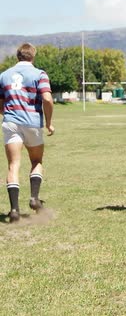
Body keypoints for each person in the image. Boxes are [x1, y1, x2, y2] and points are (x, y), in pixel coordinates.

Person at [0, 43, 55, 223]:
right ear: (33, 56)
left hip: (10, 122)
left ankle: (14, 210)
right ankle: (33, 198)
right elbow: (47, 98)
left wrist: (8, 113)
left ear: (18, 56)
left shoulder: (4, 75)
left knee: (13, 164)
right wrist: (48, 123)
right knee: (36, 160)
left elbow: (1, 102)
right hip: (32, 122)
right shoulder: (40, 74)